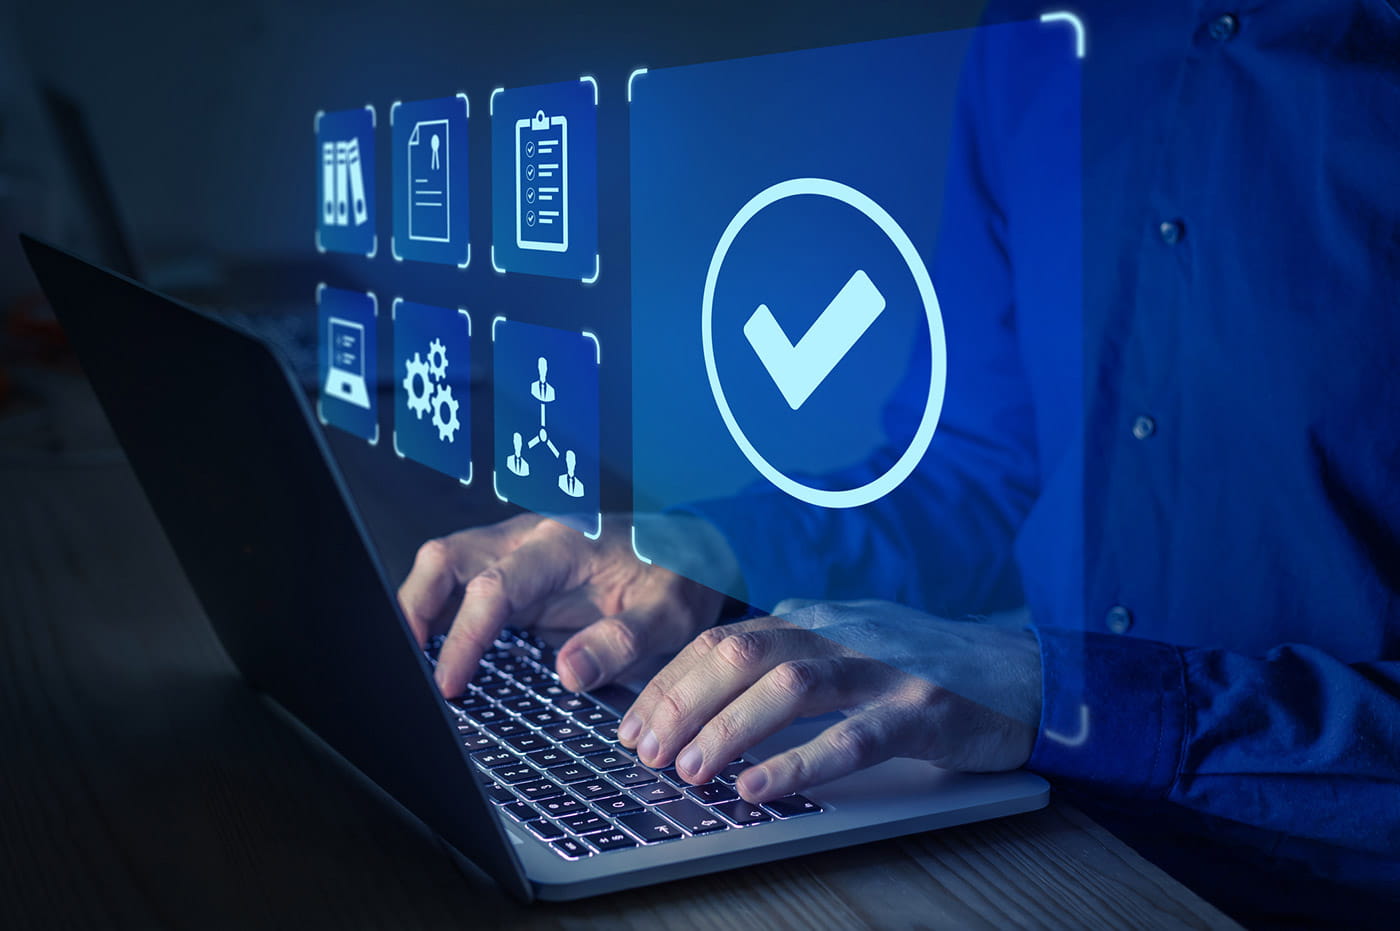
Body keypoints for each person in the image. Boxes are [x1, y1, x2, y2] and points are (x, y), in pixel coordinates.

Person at [398, 3, 1399, 924]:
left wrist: (1059, 692)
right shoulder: (1039, 34)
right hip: (1053, 837)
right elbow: (984, 472)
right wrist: (701, 550)